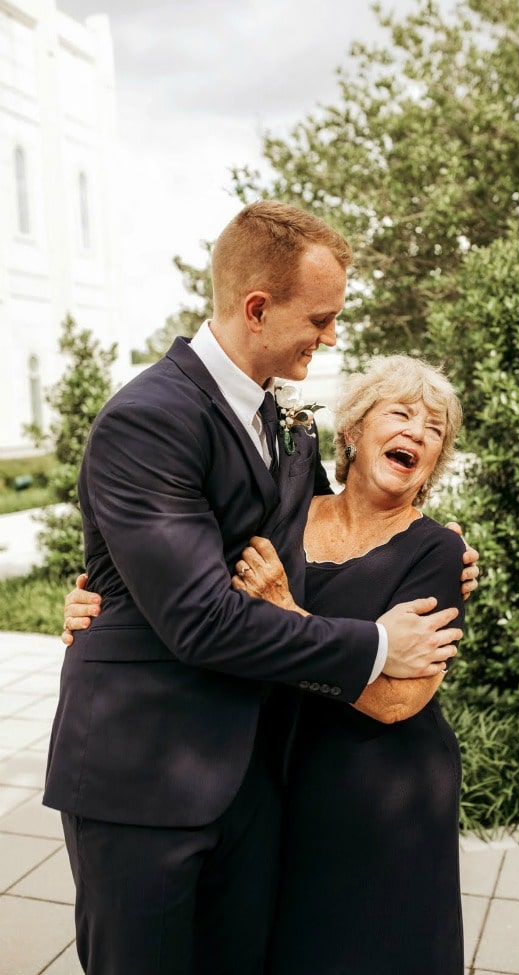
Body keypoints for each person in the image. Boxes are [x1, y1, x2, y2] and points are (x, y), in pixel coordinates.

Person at [47, 200, 478, 975]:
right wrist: (380, 642)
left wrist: (441, 551)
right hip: (146, 780)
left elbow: (318, 541)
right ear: (257, 308)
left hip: (255, 786)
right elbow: (202, 618)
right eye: (321, 317)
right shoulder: (148, 418)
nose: (332, 335)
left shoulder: (283, 428)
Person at [233, 355, 467, 975]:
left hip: (389, 804)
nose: (417, 432)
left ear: (434, 463)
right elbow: (204, 595)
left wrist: (285, 616)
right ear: (354, 432)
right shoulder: (286, 517)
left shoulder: (438, 550)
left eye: (434, 428)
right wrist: (94, 605)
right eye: (401, 413)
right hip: (278, 785)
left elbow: (397, 701)